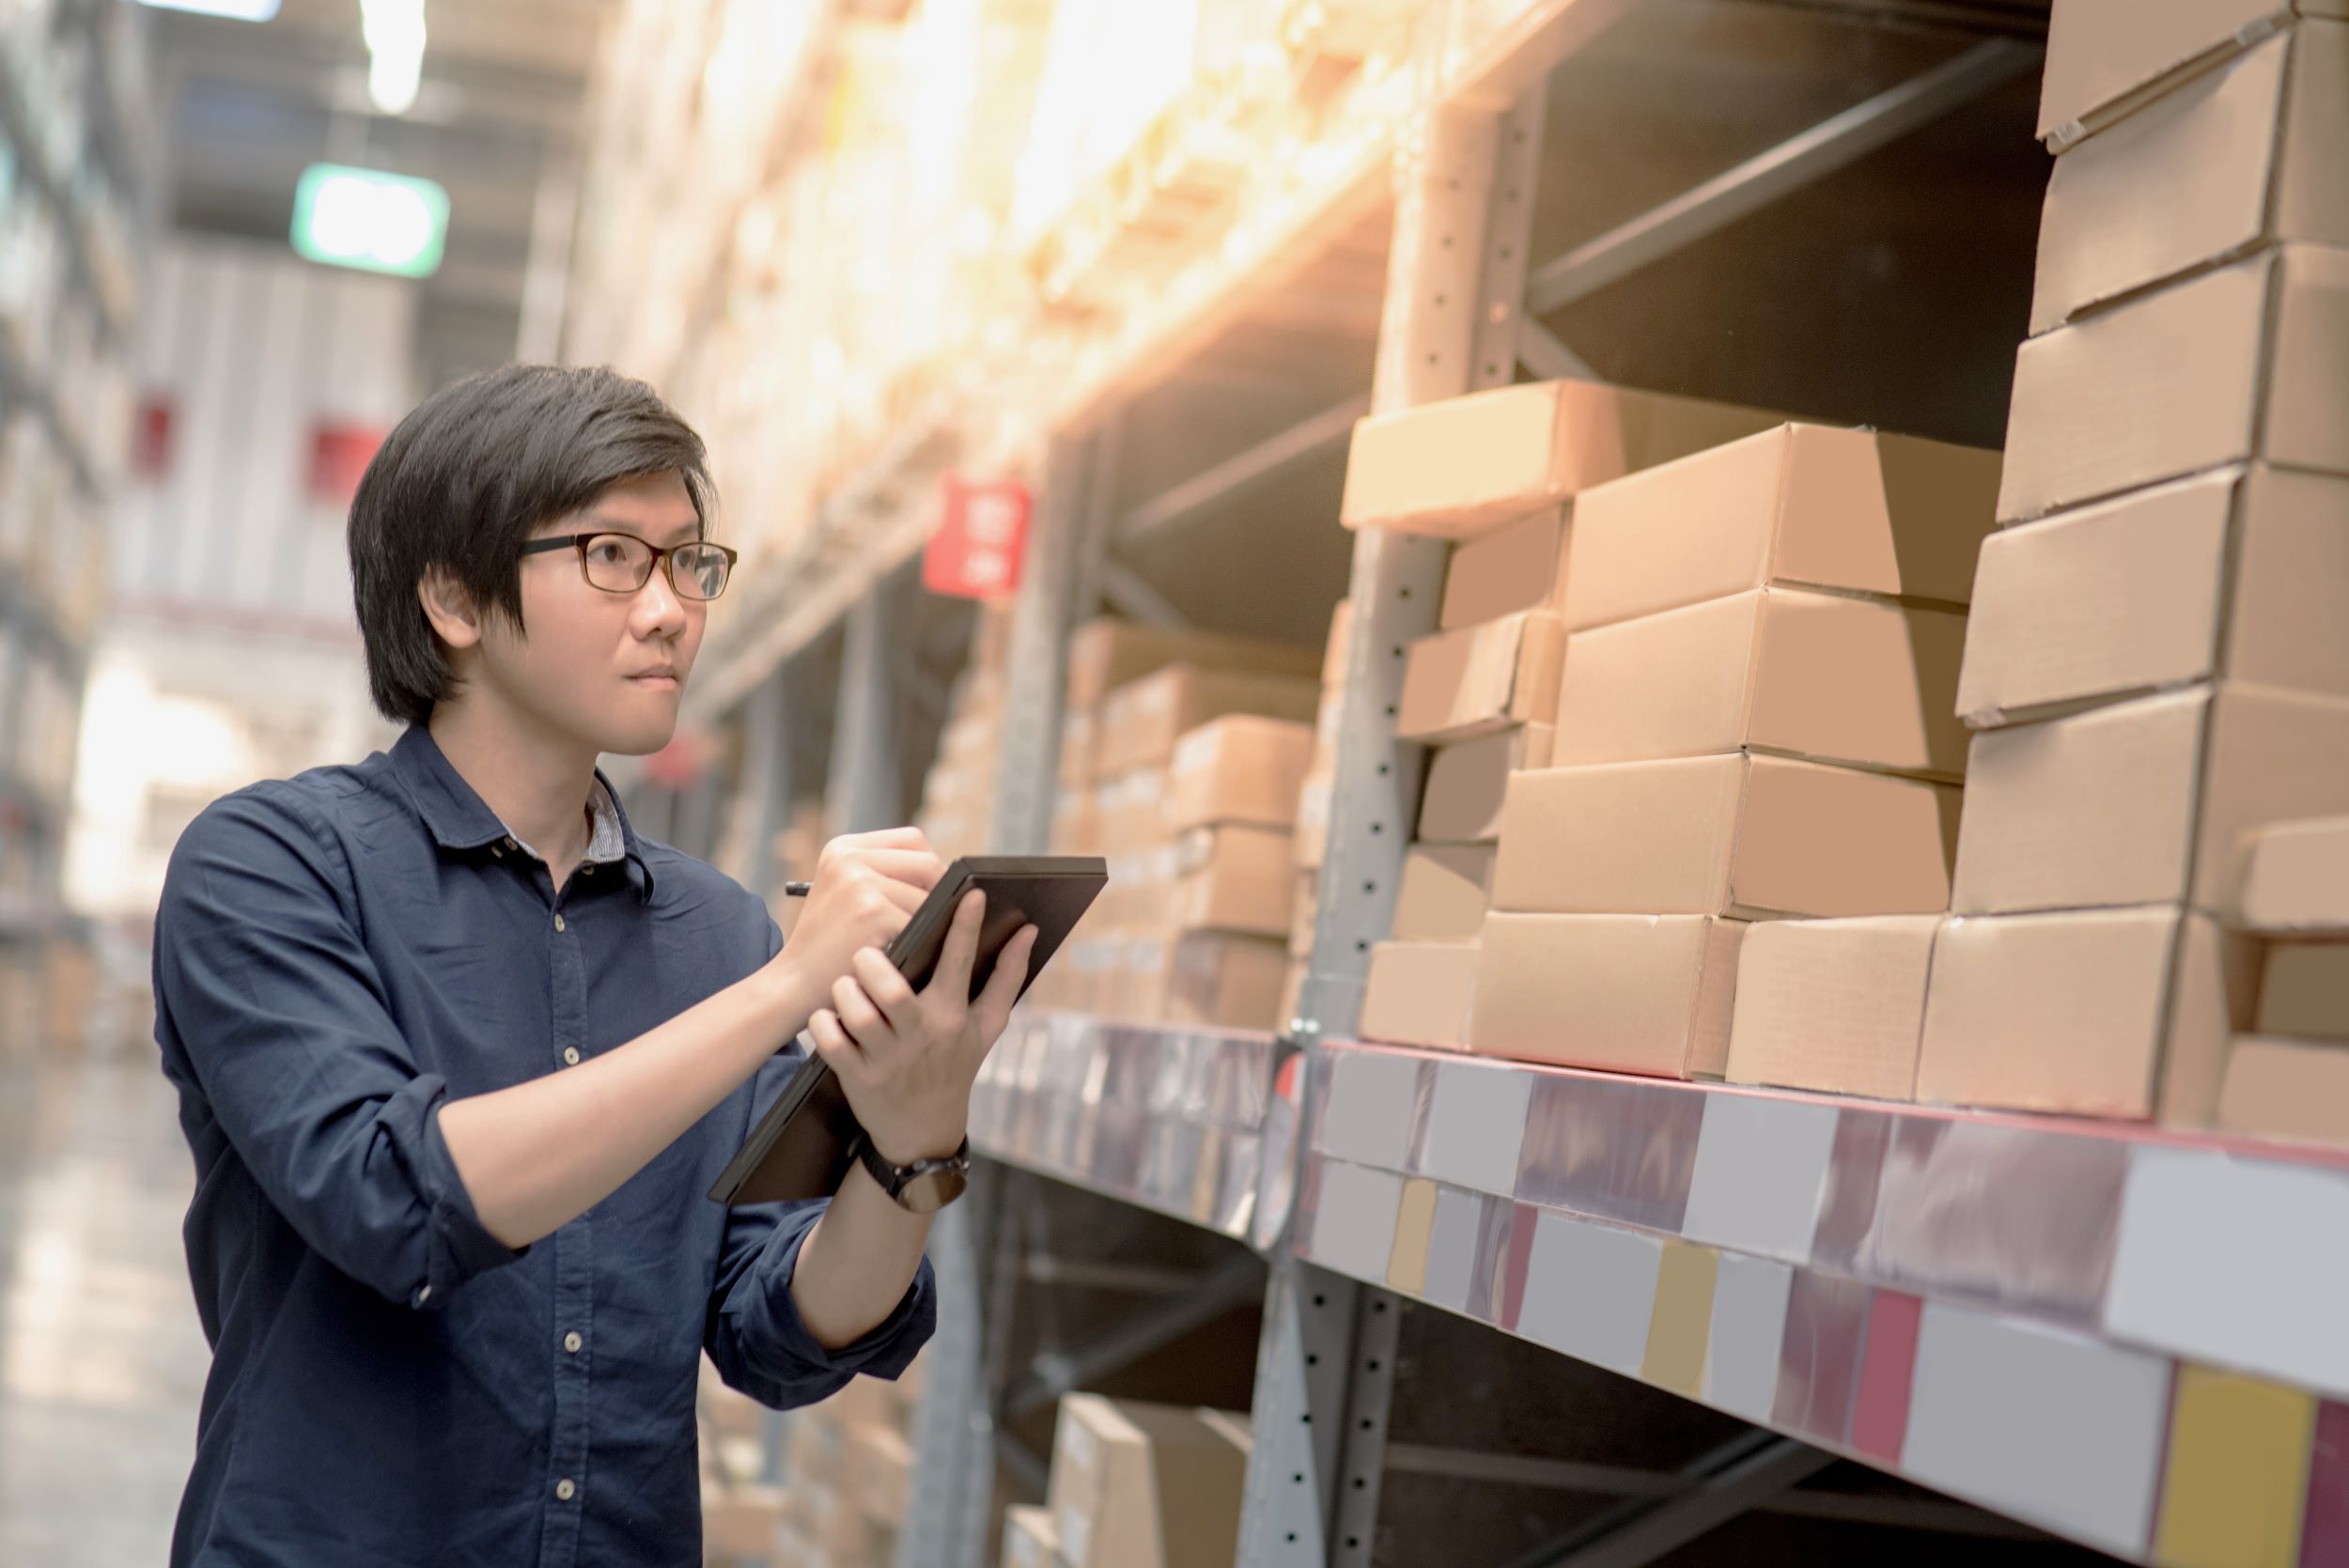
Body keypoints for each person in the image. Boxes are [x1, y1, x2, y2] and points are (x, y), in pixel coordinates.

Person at [149, 364, 1034, 1567]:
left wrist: (912, 1146)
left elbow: (776, 1329)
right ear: (456, 597)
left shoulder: (715, 928)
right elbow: (394, 1200)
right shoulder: (272, 864)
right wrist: (783, 991)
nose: (670, 608)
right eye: (614, 555)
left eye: (690, 562)